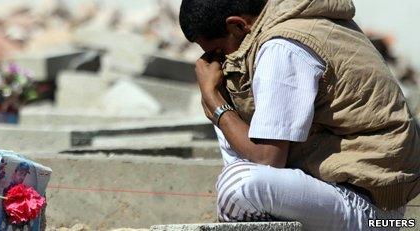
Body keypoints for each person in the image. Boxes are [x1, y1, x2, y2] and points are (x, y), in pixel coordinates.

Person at [178, 0, 420, 229]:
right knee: (230, 112)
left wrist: (214, 101)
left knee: (238, 185)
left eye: (219, 51)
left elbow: (266, 158)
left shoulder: (283, 47)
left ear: (238, 25)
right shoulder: (283, 24)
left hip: (368, 210)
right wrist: (221, 100)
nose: (216, 61)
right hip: (340, 192)